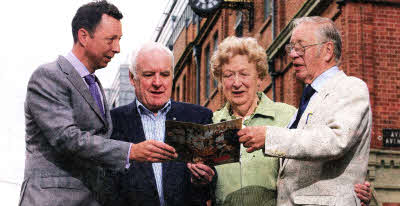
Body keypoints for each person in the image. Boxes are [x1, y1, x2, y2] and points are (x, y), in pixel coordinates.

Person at [20, 2, 176, 206]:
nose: (117, 49)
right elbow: (66, 138)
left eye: (119, 40)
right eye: (111, 39)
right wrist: (131, 151)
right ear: (84, 36)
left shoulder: (94, 84)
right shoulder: (48, 77)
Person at [238, 16, 372, 205]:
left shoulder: (350, 87)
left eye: (301, 47)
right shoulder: (307, 101)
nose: (293, 54)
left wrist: (269, 137)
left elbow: (335, 139)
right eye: (291, 48)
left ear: (327, 50)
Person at [106, 42, 216, 206]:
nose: (157, 83)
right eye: (149, 75)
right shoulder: (112, 122)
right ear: (132, 78)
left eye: (164, 75)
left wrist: (202, 181)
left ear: (172, 76)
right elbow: (105, 186)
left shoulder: (199, 117)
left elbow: (214, 187)